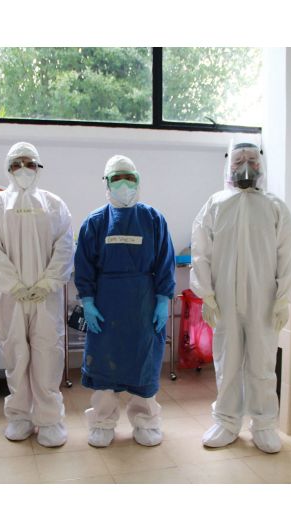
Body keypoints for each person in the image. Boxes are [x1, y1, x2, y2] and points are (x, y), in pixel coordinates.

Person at [190, 141, 291, 453]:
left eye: (252, 159)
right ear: (229, 166)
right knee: (227, 363)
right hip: (224, 300)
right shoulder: (216, 204)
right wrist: (207, 295)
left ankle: (264, 425)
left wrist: (283, 299)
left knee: (262, 365)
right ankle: (226, 422)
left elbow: (288, 255)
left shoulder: (275, 207)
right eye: (239, 160)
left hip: (264, 301)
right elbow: (201, 251)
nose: (246, 165)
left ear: (262, 165)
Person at [0, 141, 74, 447]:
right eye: (17, 164)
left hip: (46, 297)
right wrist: (13, 285)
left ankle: (50, 420)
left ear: (39, 168)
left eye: (30, 163)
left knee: (48, 355)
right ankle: (19, 416)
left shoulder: (54, 205)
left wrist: (48, 282)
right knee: (15, 355)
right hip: (10, 297)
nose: (23, 169)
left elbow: (65, 246)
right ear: (8, 169)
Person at [74, 155, 175, 448]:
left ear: (139, 181)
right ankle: (102, 422)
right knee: (104, 366)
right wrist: (88, 301)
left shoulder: (153, 219)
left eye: (129, 178)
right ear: (106, 183)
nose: (123, 184)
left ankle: (146, 421)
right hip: (105, 305)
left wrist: (163, 300)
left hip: (143, 305)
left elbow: (165, 263)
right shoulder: (95, 222)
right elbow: (84, 266)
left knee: (144, 363)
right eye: (116, 178)